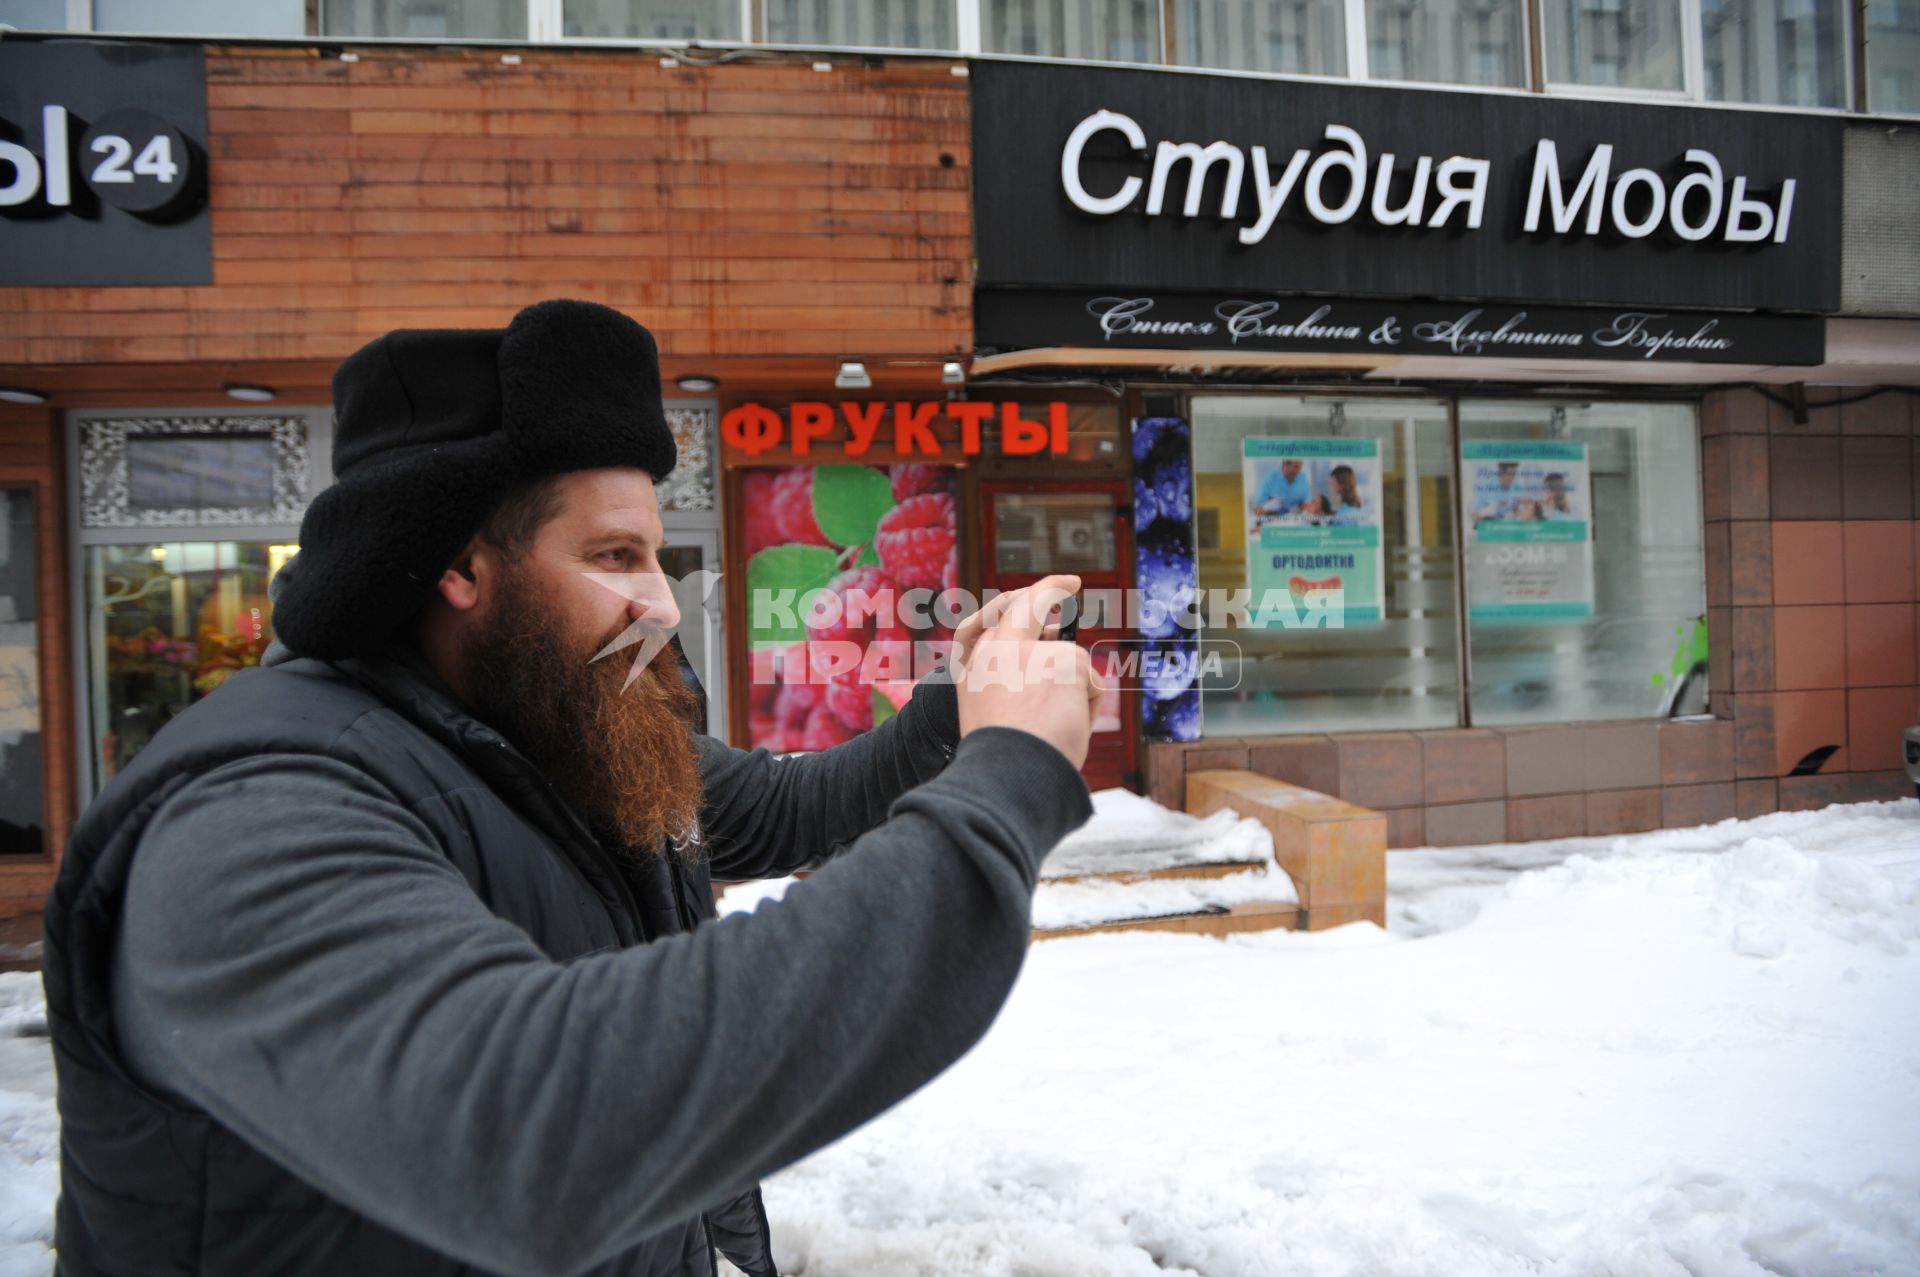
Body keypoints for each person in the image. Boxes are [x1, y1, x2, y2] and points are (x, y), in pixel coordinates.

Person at [42, 300, 1100, 1277]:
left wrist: (961, 706)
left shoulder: (557, 724)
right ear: (459, 564)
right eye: (614, 553)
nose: (662, 604)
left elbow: (782, 809)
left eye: (658, 553)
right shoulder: (254, 808)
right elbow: (531, 1134)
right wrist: (1008, 779)